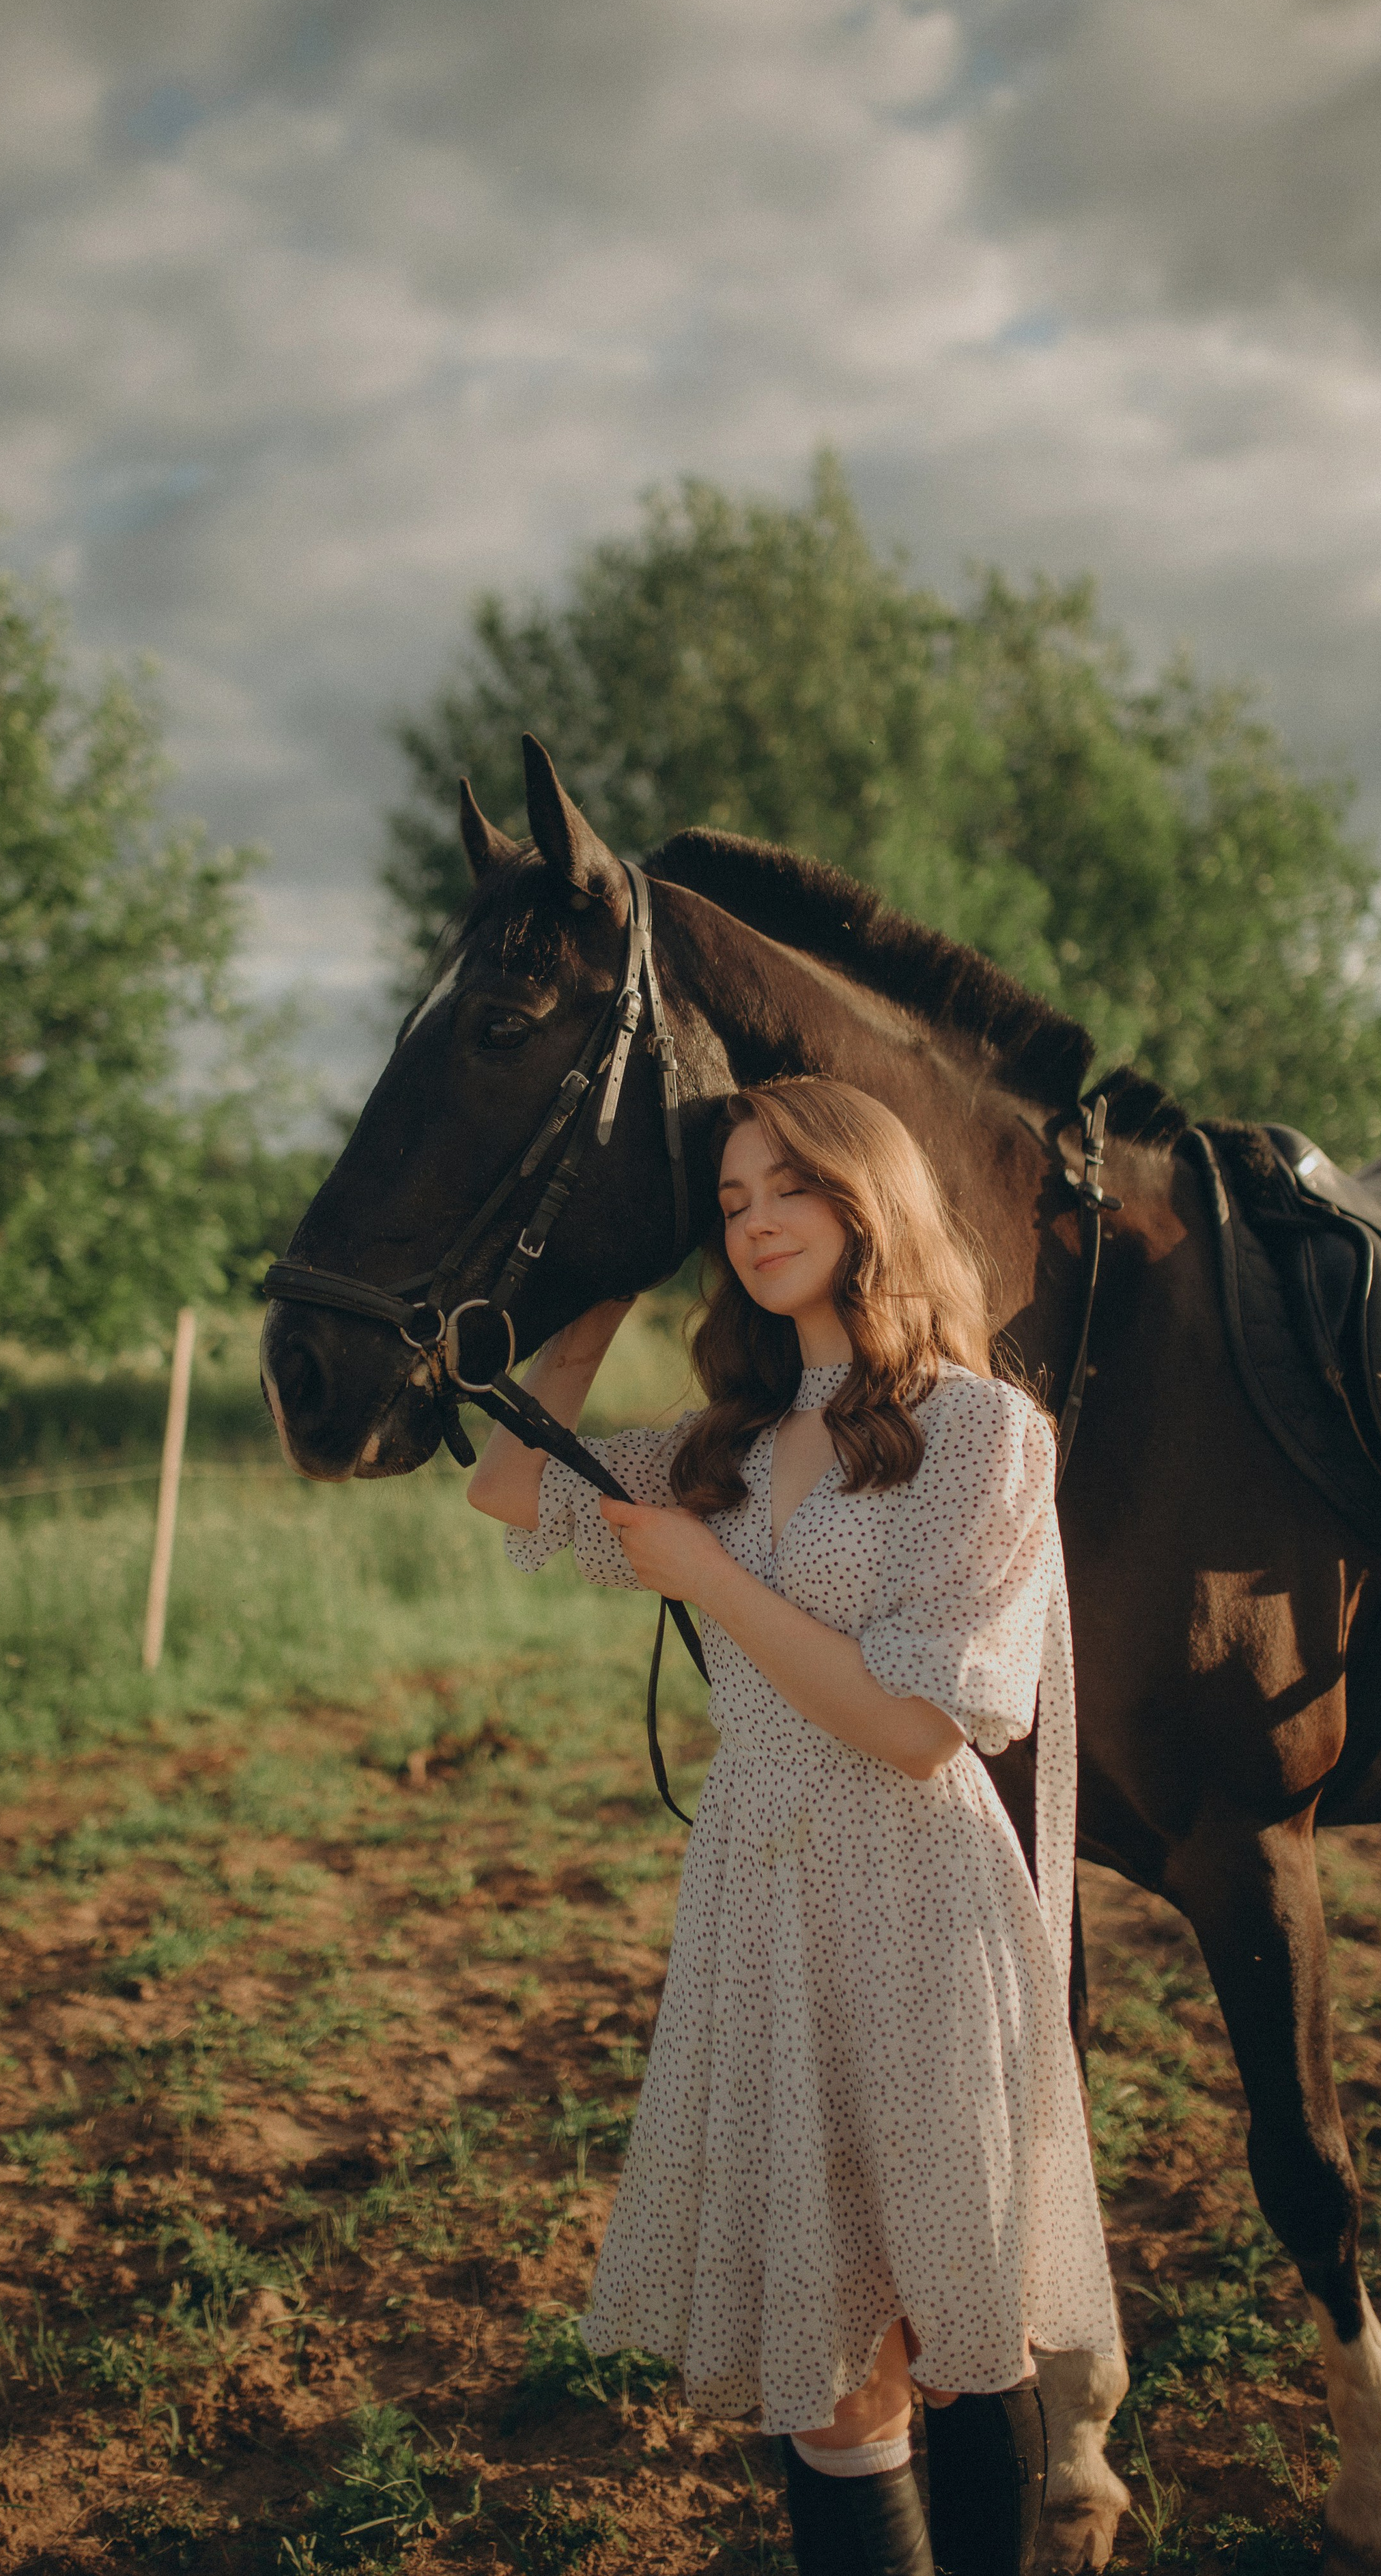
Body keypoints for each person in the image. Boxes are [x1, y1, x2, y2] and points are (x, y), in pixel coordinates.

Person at [466, 1078, 1119, 2576]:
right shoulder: (728, 1440)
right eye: (727, 1202)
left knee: (961, 2324)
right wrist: (604, 1283)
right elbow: (507, 1478)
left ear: (863, 1195)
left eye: (787, 1187)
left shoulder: (980, 1434)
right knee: (825, 2356)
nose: (754, 1221)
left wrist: (709, 1578)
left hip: (918, 1902)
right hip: (756, 1905)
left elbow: (914, 1727)